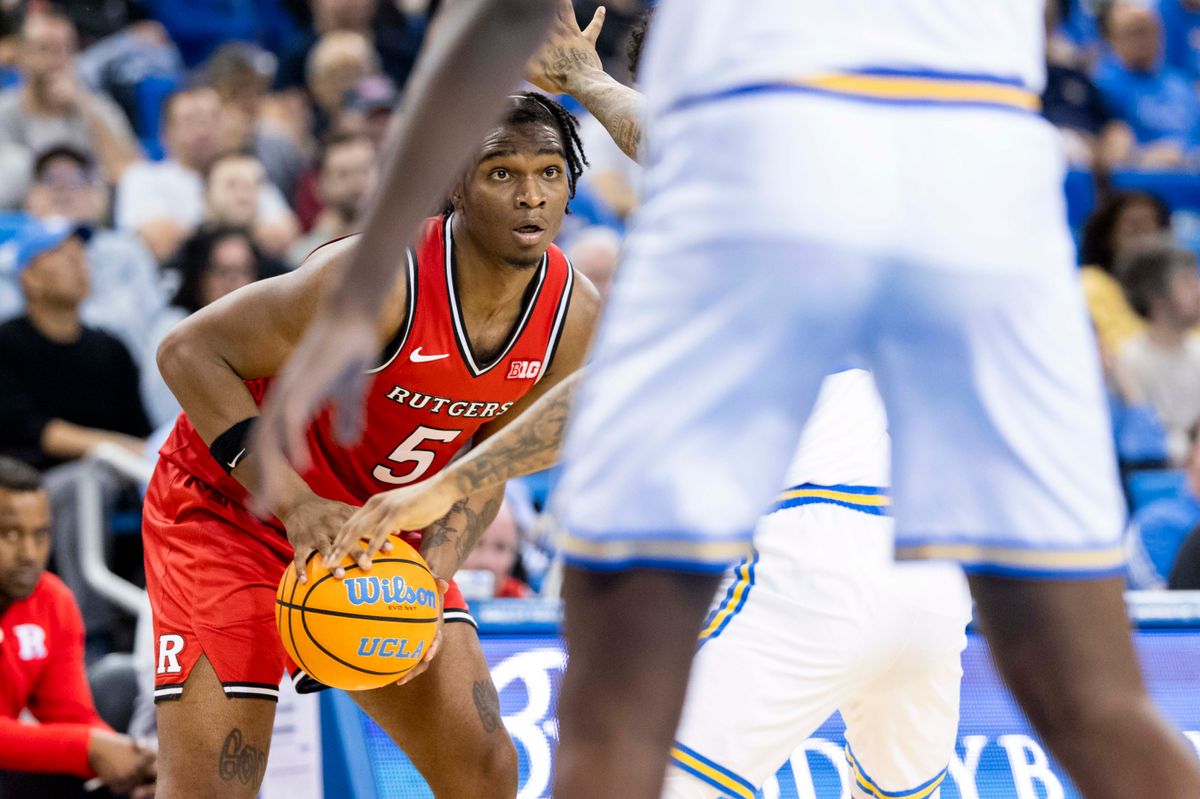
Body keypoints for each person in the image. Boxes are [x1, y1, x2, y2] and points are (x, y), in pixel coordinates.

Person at [265, 1, 1200, 798]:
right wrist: (595, 85)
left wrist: (368, 295)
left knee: (605, 753)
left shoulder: (764, 160)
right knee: (1103, 715)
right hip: (999, 217)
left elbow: (511, 31)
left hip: (813, 562)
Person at [143, 91, 600, 799]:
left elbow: (488, 470)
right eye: (501, 172)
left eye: (549, 172)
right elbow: (186, 352)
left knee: (485, 770)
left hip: (377, 532)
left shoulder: (572, 319)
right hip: (232, 511)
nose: (530, 195)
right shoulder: (377, 281)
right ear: (455, 181)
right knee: (215, 787)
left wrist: (436, 566)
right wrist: (294, 503)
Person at [0, 456, 156, 798]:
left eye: (40, 534)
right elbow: (80, 742)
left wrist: (131, 764)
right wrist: (91, 748)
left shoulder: (52, 599)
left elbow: (70, 714)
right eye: (10, 534)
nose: (30, 553)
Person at [115, 87, 295, 263]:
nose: (203, 129)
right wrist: (233, 223)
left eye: (212, 118)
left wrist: (189, 230)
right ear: (165, 133)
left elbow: (285, 235)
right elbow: (160, 242)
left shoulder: (243, 171)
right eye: (190, 120)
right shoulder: (143, 177)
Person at [142, 226, 280, 428]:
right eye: (223, 271)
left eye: (243, 270)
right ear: (199, 276)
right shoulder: (174, 328)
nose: (234, 282)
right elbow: (165, 414)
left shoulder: (262, 331)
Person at [0, 10, 139, 195]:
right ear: (22, 55)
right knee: (16, 163)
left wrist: (87, 111)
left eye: (66, 49)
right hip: (21, 214)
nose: (57, 60)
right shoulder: (6, 111)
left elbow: (132, 178)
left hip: (89, 214)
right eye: (44, 49)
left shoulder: (97, 107)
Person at [1115, 236, 1200, 465]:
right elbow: (1146, 444)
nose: (1198, 290)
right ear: (1156, 295)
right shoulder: (1129, 361)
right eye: (1187, 282)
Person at [1093, 1, 1200, 168]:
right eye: (1135, 32)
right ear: (1113, 38)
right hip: (1140, 179)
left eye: (1151, 32)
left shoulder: (1181, 86)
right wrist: (1142, 156)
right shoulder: (1103, 83)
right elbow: (1110, 147)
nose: (1144, 40)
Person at [1078, 190, 1171, 357]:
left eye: (1150, 225)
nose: (1143, 236)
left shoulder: (1179, 286)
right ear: (1108, 237)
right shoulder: (1088, 283)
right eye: (1132, 226)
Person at [286, 132, 376, 268]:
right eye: (343, 175)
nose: (357, 184)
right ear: (318, 186)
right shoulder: (305, 257)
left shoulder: (405, 241)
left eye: (365, 170)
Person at [203, 151, 300, 259]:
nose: (242, 195)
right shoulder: (190, 254)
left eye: (249, 186)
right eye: (231, 185)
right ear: (207, 193)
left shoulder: (274, 256)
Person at [460, 499, 532, 599]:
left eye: (500, 547)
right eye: (475, 544)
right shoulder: (432, 596)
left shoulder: (525, 601)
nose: (487, 562)